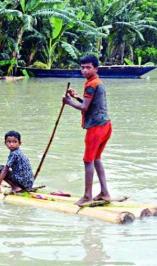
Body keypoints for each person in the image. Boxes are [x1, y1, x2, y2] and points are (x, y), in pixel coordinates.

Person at [62, 54, 112, 206]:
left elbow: (84, 107)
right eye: (82, 67)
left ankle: (87, 196)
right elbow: (88, 104)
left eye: (88, 67)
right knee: (96, 158)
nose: (85, 70)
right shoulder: (96, 82)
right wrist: (76, 97)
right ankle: (105, 192)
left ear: (96, 68)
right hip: (106, 126)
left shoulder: (91, 84)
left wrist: (68, 102)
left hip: (96, 128)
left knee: (88, 160)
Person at [0, 130, 34, 194]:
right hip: (29, 184)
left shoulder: (14, 154)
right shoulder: (19, 152)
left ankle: (15, 187)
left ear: (19, 143)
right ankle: (17, 186)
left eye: (14, 142)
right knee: (4, 169)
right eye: (9, 142)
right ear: (5, 143)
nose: (11, 144)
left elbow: (5, 170)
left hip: (22, 183)